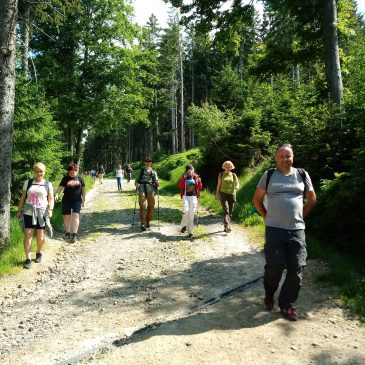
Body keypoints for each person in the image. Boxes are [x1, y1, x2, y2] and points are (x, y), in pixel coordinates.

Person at [252, 144, 316, 321]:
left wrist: (300, 216)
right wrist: (266, 217)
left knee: (297, 268)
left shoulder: (302, 174)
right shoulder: (269, 175)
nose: (285, 159)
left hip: (297, 230)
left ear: (293, 157)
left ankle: (287, 303)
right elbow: (256, 199)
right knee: (275, 267)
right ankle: (269, 293)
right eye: (281, 156)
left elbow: (311, 199)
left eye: (288, 156)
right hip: (274, 229)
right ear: (276, 158)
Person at [16, 162, 54, 269]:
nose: (39, 173)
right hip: (29, 211)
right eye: (37, 171)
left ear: (44, 172)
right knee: (28, 234)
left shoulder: (48, 184)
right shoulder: (28, 183)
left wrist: (50, 210)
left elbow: (50, 200)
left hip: (42, 212)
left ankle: (39, 252)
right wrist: (19, 211)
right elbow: (23, 198)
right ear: (34, 172)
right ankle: (28, 258)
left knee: (40, 235)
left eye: (41, 171)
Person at [55, 163, 86, 243]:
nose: (72, 174)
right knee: (66, 217)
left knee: (76, 216)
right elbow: (60, 188)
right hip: (66, 200)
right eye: (70, 173)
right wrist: (57, 194)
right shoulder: (65, 178)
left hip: (77, 200)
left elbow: (83, 189)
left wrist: (83, 198)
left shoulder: (80, 178)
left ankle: (74, 234)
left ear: (76, 171)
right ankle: (67, 233)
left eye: (73, 172)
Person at [135, 157, 159, 231]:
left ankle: (148, 221)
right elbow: (136, 181)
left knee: (151, 207)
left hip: (151, 191)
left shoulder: (153, 172)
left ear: (151, 163)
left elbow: (156, 181)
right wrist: (136, 184)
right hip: (142, 189)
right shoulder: (141, 171)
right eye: (147, 161)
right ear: (145, 162)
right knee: (142, 206)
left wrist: (158, 183)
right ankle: (143, 223)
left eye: (149, 162)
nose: (148, 163)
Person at [178, 165, 202, 237]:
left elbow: (200, 187)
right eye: (188, 171)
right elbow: (179, 186)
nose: (190, 172)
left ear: (193, 170)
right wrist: (183, 179)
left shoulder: (196, 177)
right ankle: (184, 226)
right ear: (186, 171)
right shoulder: (184, 177)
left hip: (193, 197)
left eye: (191, 170)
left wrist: (199, 180)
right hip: (185, 196)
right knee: (186, 210)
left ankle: (191, 231)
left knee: (191, 214)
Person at [215, 161, 239, 233]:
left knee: (230, 212)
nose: (228, 168)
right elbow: (219, 185)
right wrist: (217, 194)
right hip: (223, 194)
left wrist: (237, 187)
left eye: (229, 167)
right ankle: (227, 226)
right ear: (224, 167)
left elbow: (237, 183)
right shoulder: (221, 174)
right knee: (226, 210)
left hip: (232, 194)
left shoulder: (233, 175)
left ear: (231, 167)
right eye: (226, 166)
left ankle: (227, 225)